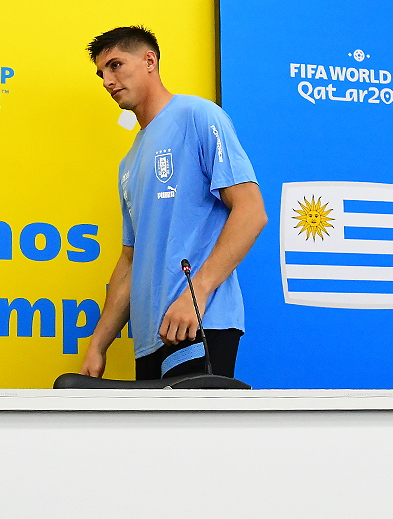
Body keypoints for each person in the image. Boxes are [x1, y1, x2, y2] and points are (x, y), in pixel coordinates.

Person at [79, 26, 267, 381]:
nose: (107, 80)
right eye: (101, 73)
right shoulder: (130, 160)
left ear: (149, 60)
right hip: (150, 338)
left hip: (200, 323)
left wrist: (194, 295)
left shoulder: (197, 115)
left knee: (198, 439)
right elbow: (130, 259)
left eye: (116, 65)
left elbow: (252, 210)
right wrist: (98, 345)